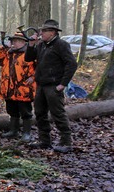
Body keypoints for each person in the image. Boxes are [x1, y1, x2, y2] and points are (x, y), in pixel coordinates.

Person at [24, 19, 78, 153]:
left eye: (44, 31)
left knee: (58, 113)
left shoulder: (61, 45)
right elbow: (29, 58)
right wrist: (31, 45)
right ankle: (44, 141)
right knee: (40, 113)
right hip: (41, 85)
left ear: (52, 32)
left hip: (54, 86)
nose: (41, 33)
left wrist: (63, 84)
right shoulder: (42, 45)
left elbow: (71, 64)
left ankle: (66, 142)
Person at [0, 32, 37, 142]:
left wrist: (34, 77)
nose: (14, 43)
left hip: (23, 89)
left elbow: (39, 66)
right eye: (13, 41)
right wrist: (3, 48)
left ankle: (27, 133)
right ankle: (13, 131)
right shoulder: (8, 53)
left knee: (26, 112)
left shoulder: (29, 53)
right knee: (12, 111)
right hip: (8, 89)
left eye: (16, 41)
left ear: (23, 42)